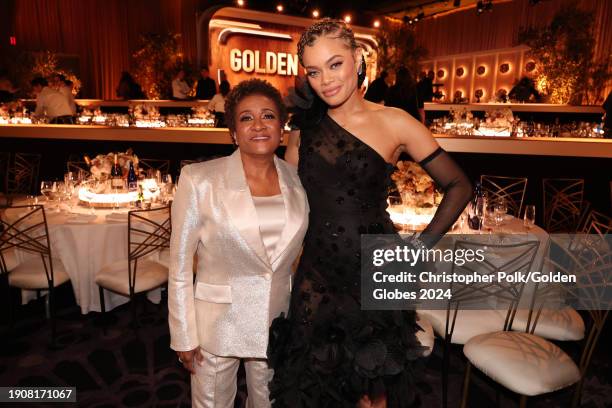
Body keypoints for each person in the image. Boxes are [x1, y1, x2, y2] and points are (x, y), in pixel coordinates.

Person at [268, 19, 472, 408]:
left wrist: (420, 249)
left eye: (335, 64)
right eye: (313, 71)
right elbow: (290, 204)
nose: (325, 80)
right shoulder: (302, 131)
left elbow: (459, 186)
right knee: (316, 384)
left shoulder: (395, 121)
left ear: (358, 59)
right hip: (316, 273)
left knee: (372, 388)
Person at [168, 78, 309, 408]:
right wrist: (183, 335)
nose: (258, 125)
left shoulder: (296, 179)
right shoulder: (200, 180)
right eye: (246, 118)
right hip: (217, 325)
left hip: (276, 321)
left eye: (268, 116)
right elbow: (178, 266)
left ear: (282, 128)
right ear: (233, 132)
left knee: (271, 403)